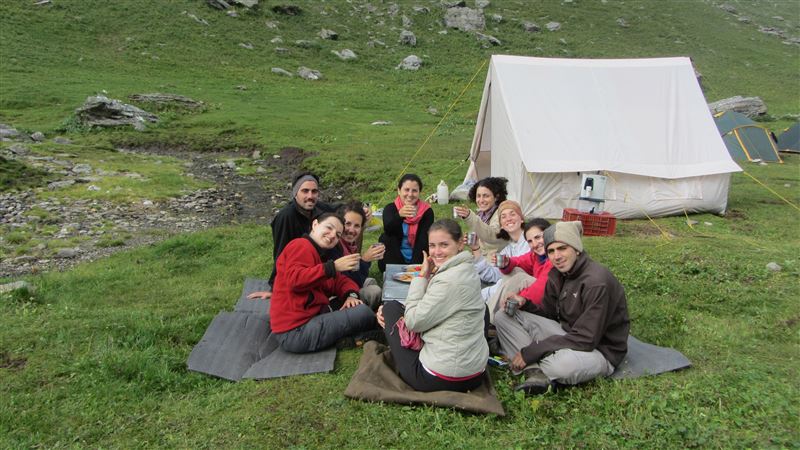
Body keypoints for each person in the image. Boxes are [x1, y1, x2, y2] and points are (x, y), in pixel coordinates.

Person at [494, 221, 630, 395]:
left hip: (598, 349)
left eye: (562, 248)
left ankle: (531, 366)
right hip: (566, 334)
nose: (556, 256)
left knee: (561, 365)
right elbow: (550, 314)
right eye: (551, 251)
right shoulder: (557, 274)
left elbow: (587, 339)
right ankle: (534, 372)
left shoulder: (597, 282)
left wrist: (534, 350)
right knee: (503, 317)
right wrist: (525, 304)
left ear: (576, 248)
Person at [376, 219, 489, 392]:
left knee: (390, 309)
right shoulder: (468, 269)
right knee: (484, 309)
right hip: (476, 374)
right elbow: (440, 302)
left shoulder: (447, 280)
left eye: (444, 245)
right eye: (432, 245)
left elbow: (413, 322)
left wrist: (422, 277)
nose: (436, 252)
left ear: (460, 244)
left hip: (440, 379)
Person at [266, 213, 378, 353]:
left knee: (360, 300)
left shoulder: (318, 253)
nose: (332, 236)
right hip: (295, 331)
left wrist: (351, 296)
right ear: (315, 225)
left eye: (337, 235)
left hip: (313, 315)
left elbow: (339, 281)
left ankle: (353, 331)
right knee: (363, 313)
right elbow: (295, 280)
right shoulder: (300, 245)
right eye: (329, 228)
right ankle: (375, 329)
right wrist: (332, 267)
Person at [266, 172, 371, 289]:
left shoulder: (316, 207)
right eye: (305, 191)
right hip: (300, 268)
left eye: (314, 191)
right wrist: (274, 286)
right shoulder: (286, 216)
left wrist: (361, 209)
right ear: (295, 193)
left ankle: (353, 278)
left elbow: (338, 207)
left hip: (319, 265)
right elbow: (280, 252)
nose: (310, 196)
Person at [468, 200, 531, 303]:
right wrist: (476, 248)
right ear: (501, 225)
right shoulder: (507, 250)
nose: (508, 219)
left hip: (523, 294)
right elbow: (492, 274)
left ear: (522, 219)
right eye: (503, 216)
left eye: (512, 214)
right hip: (504, 290)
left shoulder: (531, 241)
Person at [328, 201, 385, 311]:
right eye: (347, 224)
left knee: (371, 281)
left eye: (357, 226)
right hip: (335, 295)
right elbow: (348, 281)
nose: (351, 230)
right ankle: (365, 315)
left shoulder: (349, 245)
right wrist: (365, 260)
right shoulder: (334, 245)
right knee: (375, 291)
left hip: (347, 287)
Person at [378, 174, 434, 272]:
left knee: (427, 239)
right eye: (406, 190)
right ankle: (394, 270)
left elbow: (423, 240)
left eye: (414, 191)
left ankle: (416, 267)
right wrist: (399, 216)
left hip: (417, 255)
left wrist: (413, 267)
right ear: (399, 191)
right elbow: (388, 230)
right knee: (385, 237)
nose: (410, 194)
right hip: (394, 256)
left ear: (419, 192)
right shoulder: (390, 208)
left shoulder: (426, 212)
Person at [453, 177, 508, 256]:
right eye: (478, 196)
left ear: (496, 197)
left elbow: (493, 235)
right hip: (482, 258)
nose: (481, 200)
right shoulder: (482, 214)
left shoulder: (502, 213)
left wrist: (469, 217)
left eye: (486, 196)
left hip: (496, 261)